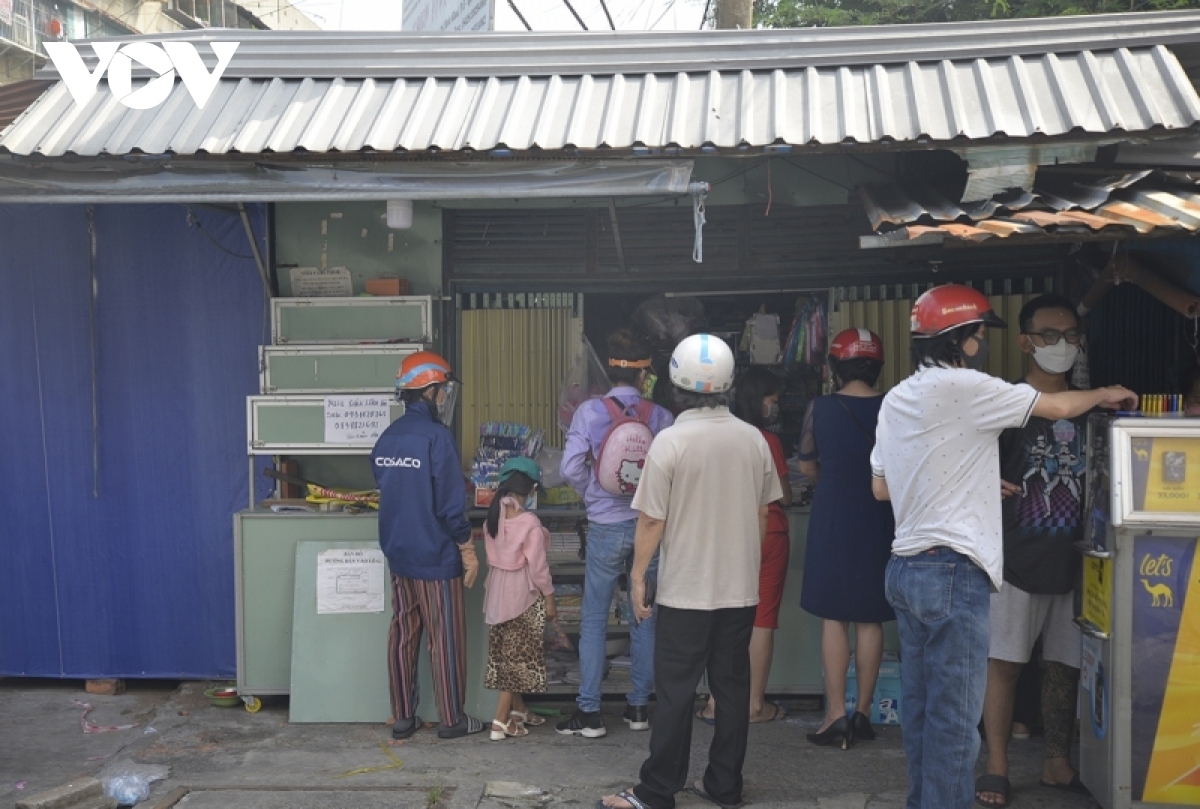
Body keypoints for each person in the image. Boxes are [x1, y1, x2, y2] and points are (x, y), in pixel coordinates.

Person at [869, 284, 1136, 809]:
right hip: (953, 571)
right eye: (977, 335)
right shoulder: (968, 387)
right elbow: (1057, 406)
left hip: (904, 569)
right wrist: (1104, 394)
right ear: (964, 340)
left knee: (923, 712)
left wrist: (968, 478)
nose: (980, 345)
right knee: (953, 720)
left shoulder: (899, 396)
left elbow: (881, 486)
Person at [597, 333, 782, 809]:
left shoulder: (670, 443)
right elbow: (763, 514)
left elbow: (652, 519)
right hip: (738, 591)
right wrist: (745, 563)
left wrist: (638, 577)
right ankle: (724, 787)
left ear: (674, 385)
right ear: (729, 384)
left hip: (685, 593)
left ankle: (657, 791)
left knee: (677, 694)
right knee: (733, 690)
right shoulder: (753, 440)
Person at [978, 294, 1096, 807]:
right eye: (1049, 335)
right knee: (1002, 664)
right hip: (1014, 561)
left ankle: (1056, 762)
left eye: (1071, 336)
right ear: (1025, 341)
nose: (1061, 345)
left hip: (1077, 564)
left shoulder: (1093, 409)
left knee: (1064, 667)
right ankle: (998, 765)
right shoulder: (1004, 404)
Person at [558, 329, 674, 739]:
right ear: (645, 376)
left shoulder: (589, 412)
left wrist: (593, 492)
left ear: (609, 372)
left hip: (605, 528)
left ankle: (589, 714)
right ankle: (638, 707)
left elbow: (569, 468)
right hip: (647, 528)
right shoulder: (660, 416)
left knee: (593, 619)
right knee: (645, 616)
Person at [371, 351, 485, 740]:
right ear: (431, 391)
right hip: (436, 558)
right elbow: (452, 503)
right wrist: (467, 548)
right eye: (442, 391)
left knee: (402, 635)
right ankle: (453, 720)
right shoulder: (437, 438)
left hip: (399, 555)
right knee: (445, 639)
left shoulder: (388, 438)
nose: (443, 398)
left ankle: (403, 718)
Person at [798, 328, 896, 749]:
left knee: (834, 616)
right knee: (870, 617)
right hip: (880, 513)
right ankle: (863, 714)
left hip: (834, 514)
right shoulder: (895, 406)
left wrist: (829, 476)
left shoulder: (820, 408)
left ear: (836, 366)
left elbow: (807, 466)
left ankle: (835, 715)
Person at [697, 366, 792, 726]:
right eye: (772, 400)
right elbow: (784, 493)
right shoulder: (768, 441)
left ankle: (715, 703)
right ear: (758, 401)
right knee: (762, 621)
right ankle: (753, 704)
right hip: (769, 535)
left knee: (723, 618)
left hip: (726, 535)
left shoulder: (718, 437)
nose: (775, 407)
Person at [482, 457, 557, 741]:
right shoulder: (529, 523)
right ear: (532, 489)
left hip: (497, 594)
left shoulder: (494, 516)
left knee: (505, 654)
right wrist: (550, 598)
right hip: (522, 596)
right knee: (516, 660)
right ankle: (501, 722)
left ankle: (518, 711)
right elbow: (538, 568)